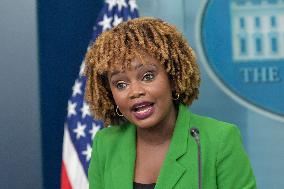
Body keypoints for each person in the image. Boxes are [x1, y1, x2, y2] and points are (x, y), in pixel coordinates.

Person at [84, 17, 256, 189]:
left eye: (148, 76)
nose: (135, 91)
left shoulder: (219, 140)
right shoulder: (106, 144)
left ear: (173, 78)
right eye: (121, 84)